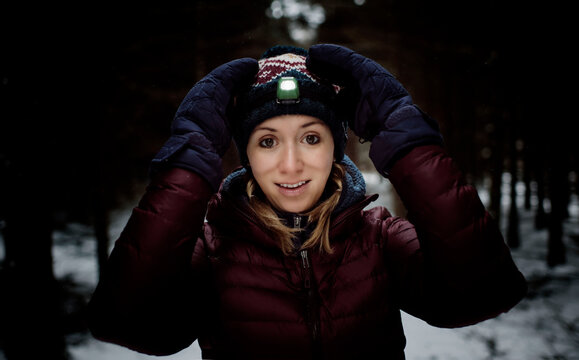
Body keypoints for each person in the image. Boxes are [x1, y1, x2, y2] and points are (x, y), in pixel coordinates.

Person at [86, 44, 527, 359]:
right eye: (267, 141)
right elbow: (128, 323)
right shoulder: (212, 249)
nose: (291, 165)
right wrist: (187, 161)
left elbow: (484, 293)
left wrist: (406, 137)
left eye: (311, 138)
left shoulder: (378, 237)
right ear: (246, 155)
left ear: (335, 148)